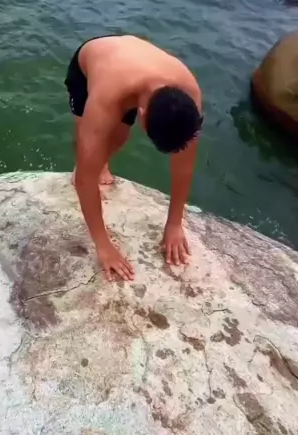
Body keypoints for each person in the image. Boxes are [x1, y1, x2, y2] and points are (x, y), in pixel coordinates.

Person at [65, 35, 203, 282]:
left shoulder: (190, 97)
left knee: (119, 138)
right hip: (91, 64)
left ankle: (102, 161)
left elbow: (184, 167)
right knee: (90, 153)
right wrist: (103, 245)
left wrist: (174, 223)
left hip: (132, 67)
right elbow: (85, 181)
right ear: (142, 115)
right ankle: (94, 162)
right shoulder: (107, 97)